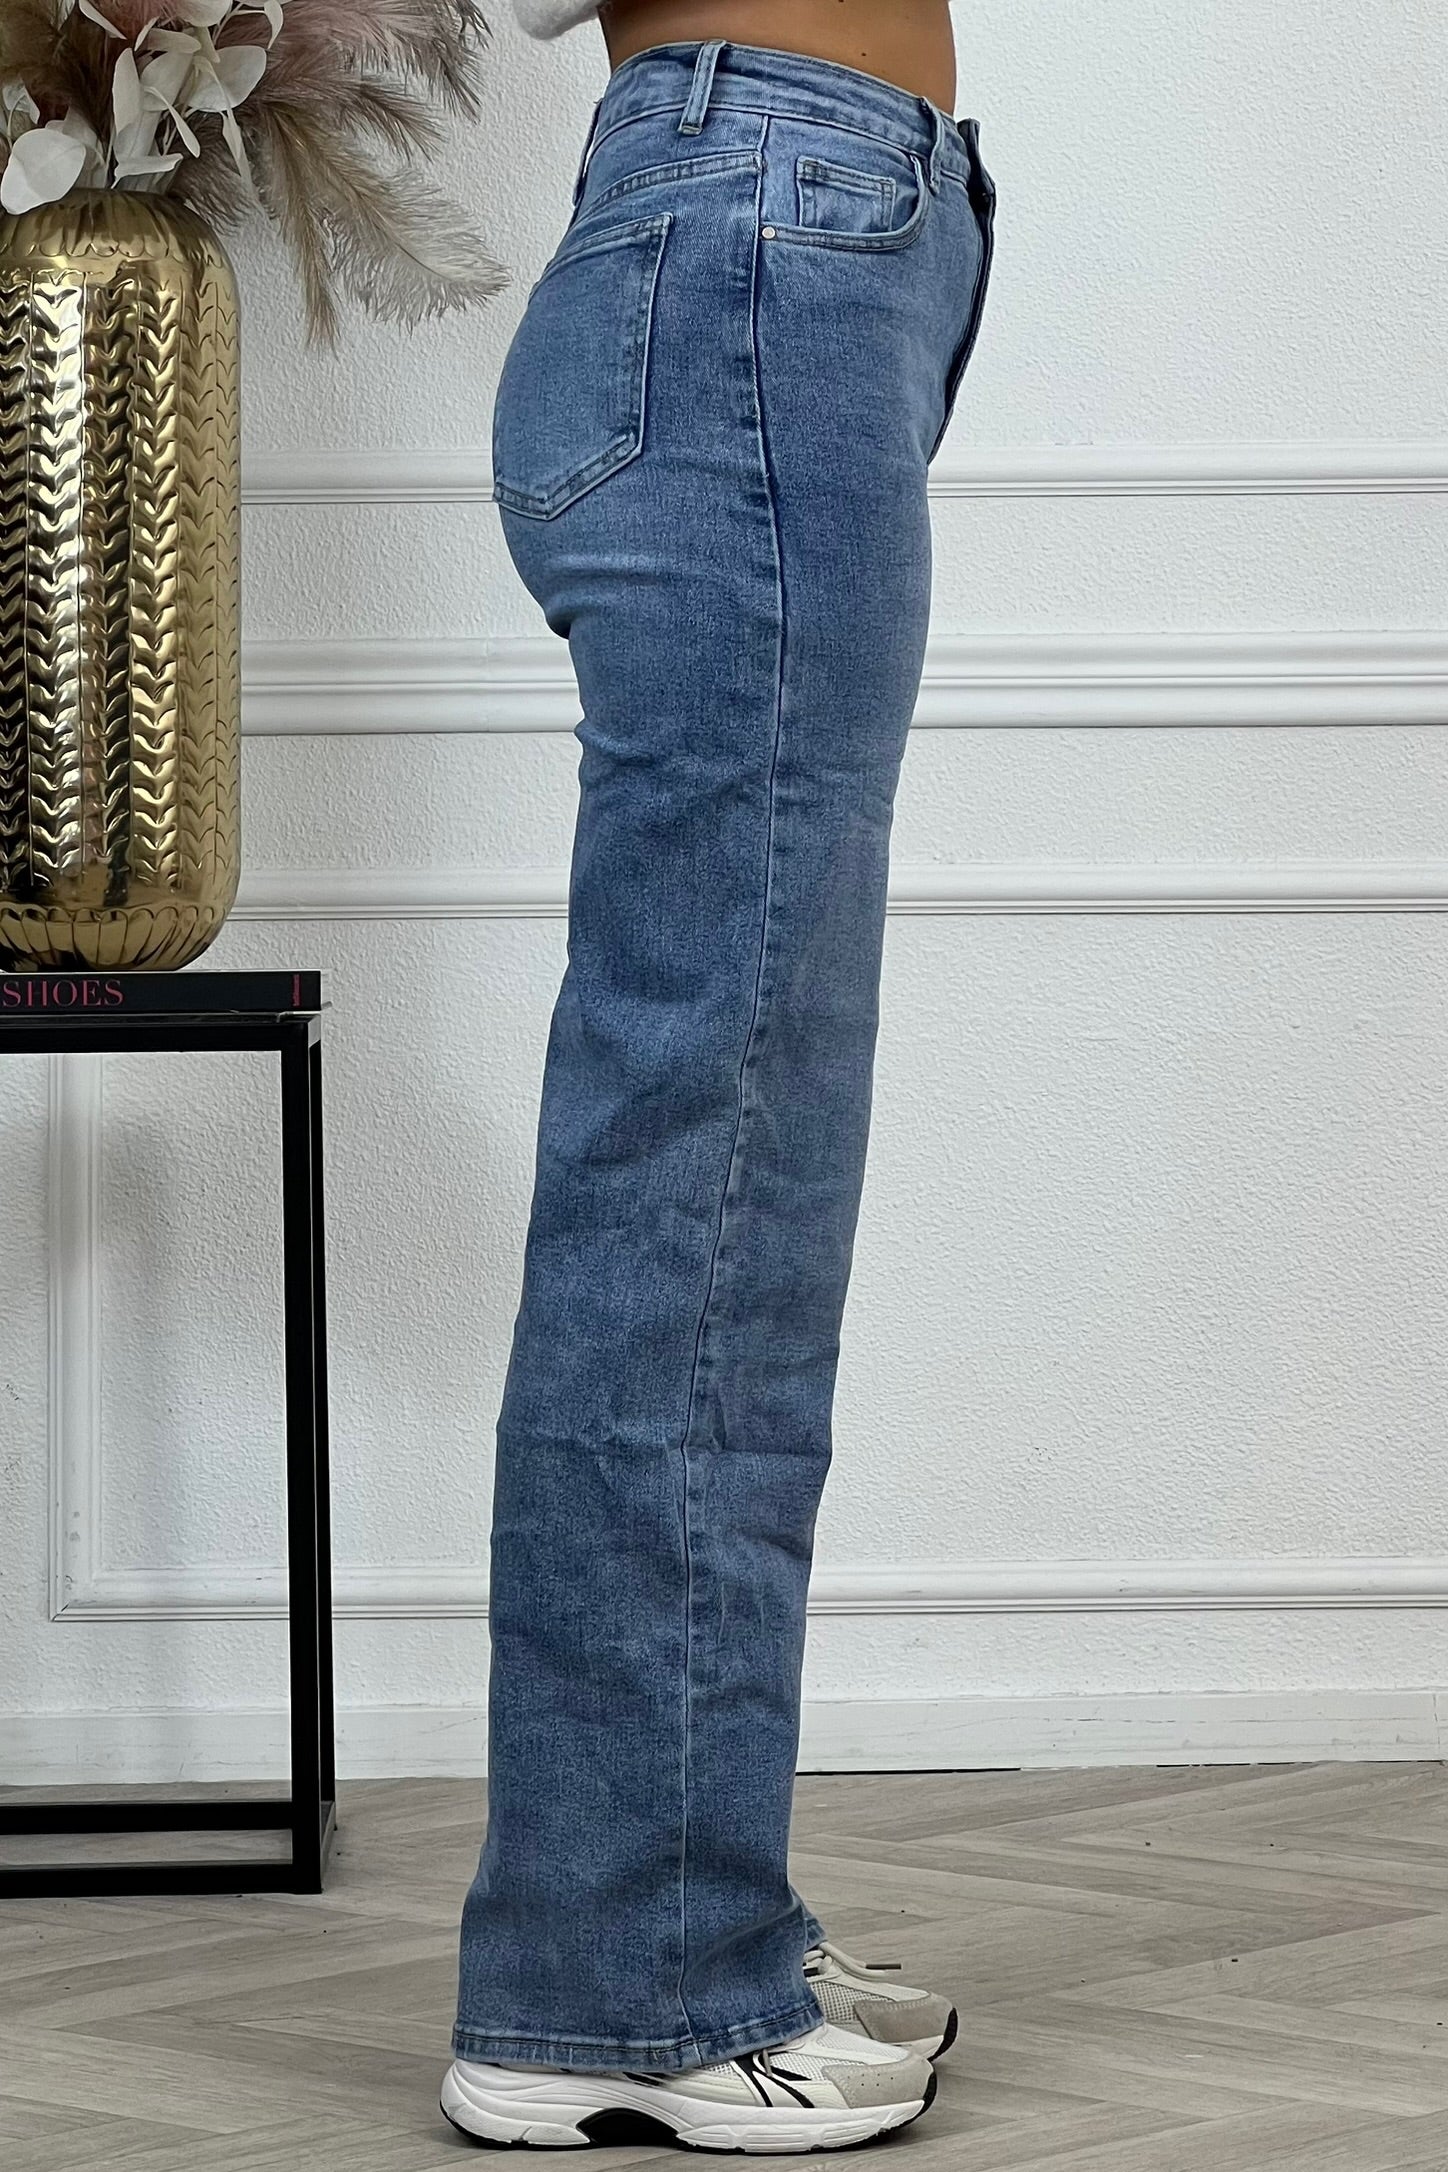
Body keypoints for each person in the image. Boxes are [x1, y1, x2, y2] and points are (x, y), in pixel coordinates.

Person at [443, 0, 996, 2150]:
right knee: (704, 1170)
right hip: (762, 229)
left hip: (787, 228)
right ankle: (617, 1991)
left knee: (731, 1161)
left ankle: (670, 1909)